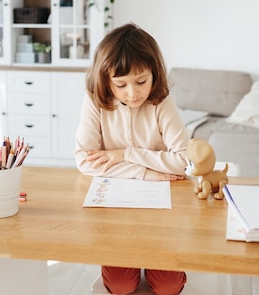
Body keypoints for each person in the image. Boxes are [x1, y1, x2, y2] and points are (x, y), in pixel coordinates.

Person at [75, 22, 189, 295]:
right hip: (115, 206)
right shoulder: (94, 101)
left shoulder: (161, 102)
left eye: (141, 82)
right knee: (121, 285)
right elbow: (84, 161)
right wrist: (145, 172)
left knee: (169, 286)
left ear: (154, 74)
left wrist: (124, 155)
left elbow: (184, 161)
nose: (132, 93)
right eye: (120, 84)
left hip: (161, 207)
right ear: (106, 80)